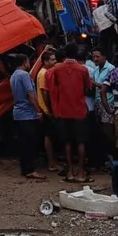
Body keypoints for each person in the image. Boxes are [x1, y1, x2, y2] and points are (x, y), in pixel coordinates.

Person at [47, 43, 93, 183]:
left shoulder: (56, 69)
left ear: (64, 54)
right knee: (81, 142)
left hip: (63, 110)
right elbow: (88, 88)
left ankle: (70, 173)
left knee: (67, 141)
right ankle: (81, 173)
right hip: (79, 110)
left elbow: (52, 89)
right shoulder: (83, 70)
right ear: (76, 53)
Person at [10, 54, 47, 180]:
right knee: (30, 143)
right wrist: (38, 111)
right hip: (27, 114)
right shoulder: (24, 75)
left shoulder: (13, 76)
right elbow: (31, 95)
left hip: (18, 113)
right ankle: (30, 170)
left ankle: (25, 168)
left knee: (23, 142)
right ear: (25, 62)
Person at [90, 48, 116, 164]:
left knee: (108, 130)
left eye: (97, 56)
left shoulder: (111, 69)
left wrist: (96, 84)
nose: (95, 59)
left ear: (104, 57)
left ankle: (113, 155)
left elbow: (114, 87)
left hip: (108, 102)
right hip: (98, 102)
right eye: (93, 57)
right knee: (101, 130)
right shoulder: (95, 70)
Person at [36, 49, 60, 173]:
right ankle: (51, 163)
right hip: (46, 110)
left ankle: (52, 161)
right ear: (45, 61)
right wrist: (50, 110)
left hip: (46, 109)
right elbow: (45, 93)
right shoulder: (44, 74)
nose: (55, 61)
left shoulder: (44, 72)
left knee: (50, 136)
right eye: (52, 59)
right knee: (49, 136)